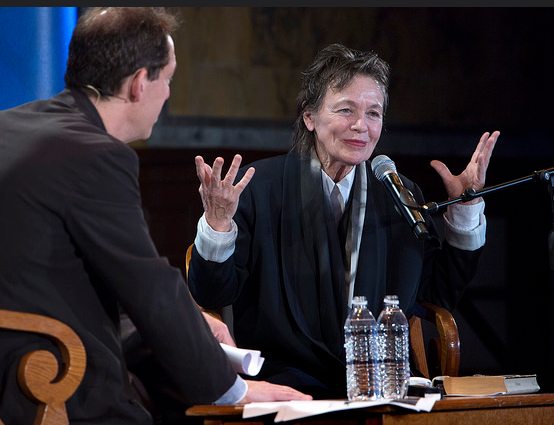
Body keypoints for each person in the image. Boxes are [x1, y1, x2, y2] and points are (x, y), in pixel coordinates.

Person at [0, 7, 311, 425]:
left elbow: (71, 274)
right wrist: (234, 390)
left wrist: (194, 319)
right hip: (47, 380)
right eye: (168, 79)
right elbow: (148, 286)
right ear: (139, 83)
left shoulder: (12, 125)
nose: (168, 94)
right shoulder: (97, 155)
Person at [188, 43, 500, 399]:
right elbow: (212, 292)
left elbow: (436, 293)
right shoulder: (257, 188)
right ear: (309, 116)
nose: (360, 126)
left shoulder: (397, 192)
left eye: (373, 114)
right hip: (289, 384)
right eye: (346, 110)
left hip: (382, 384)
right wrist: (217, 224)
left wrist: (465, 206)